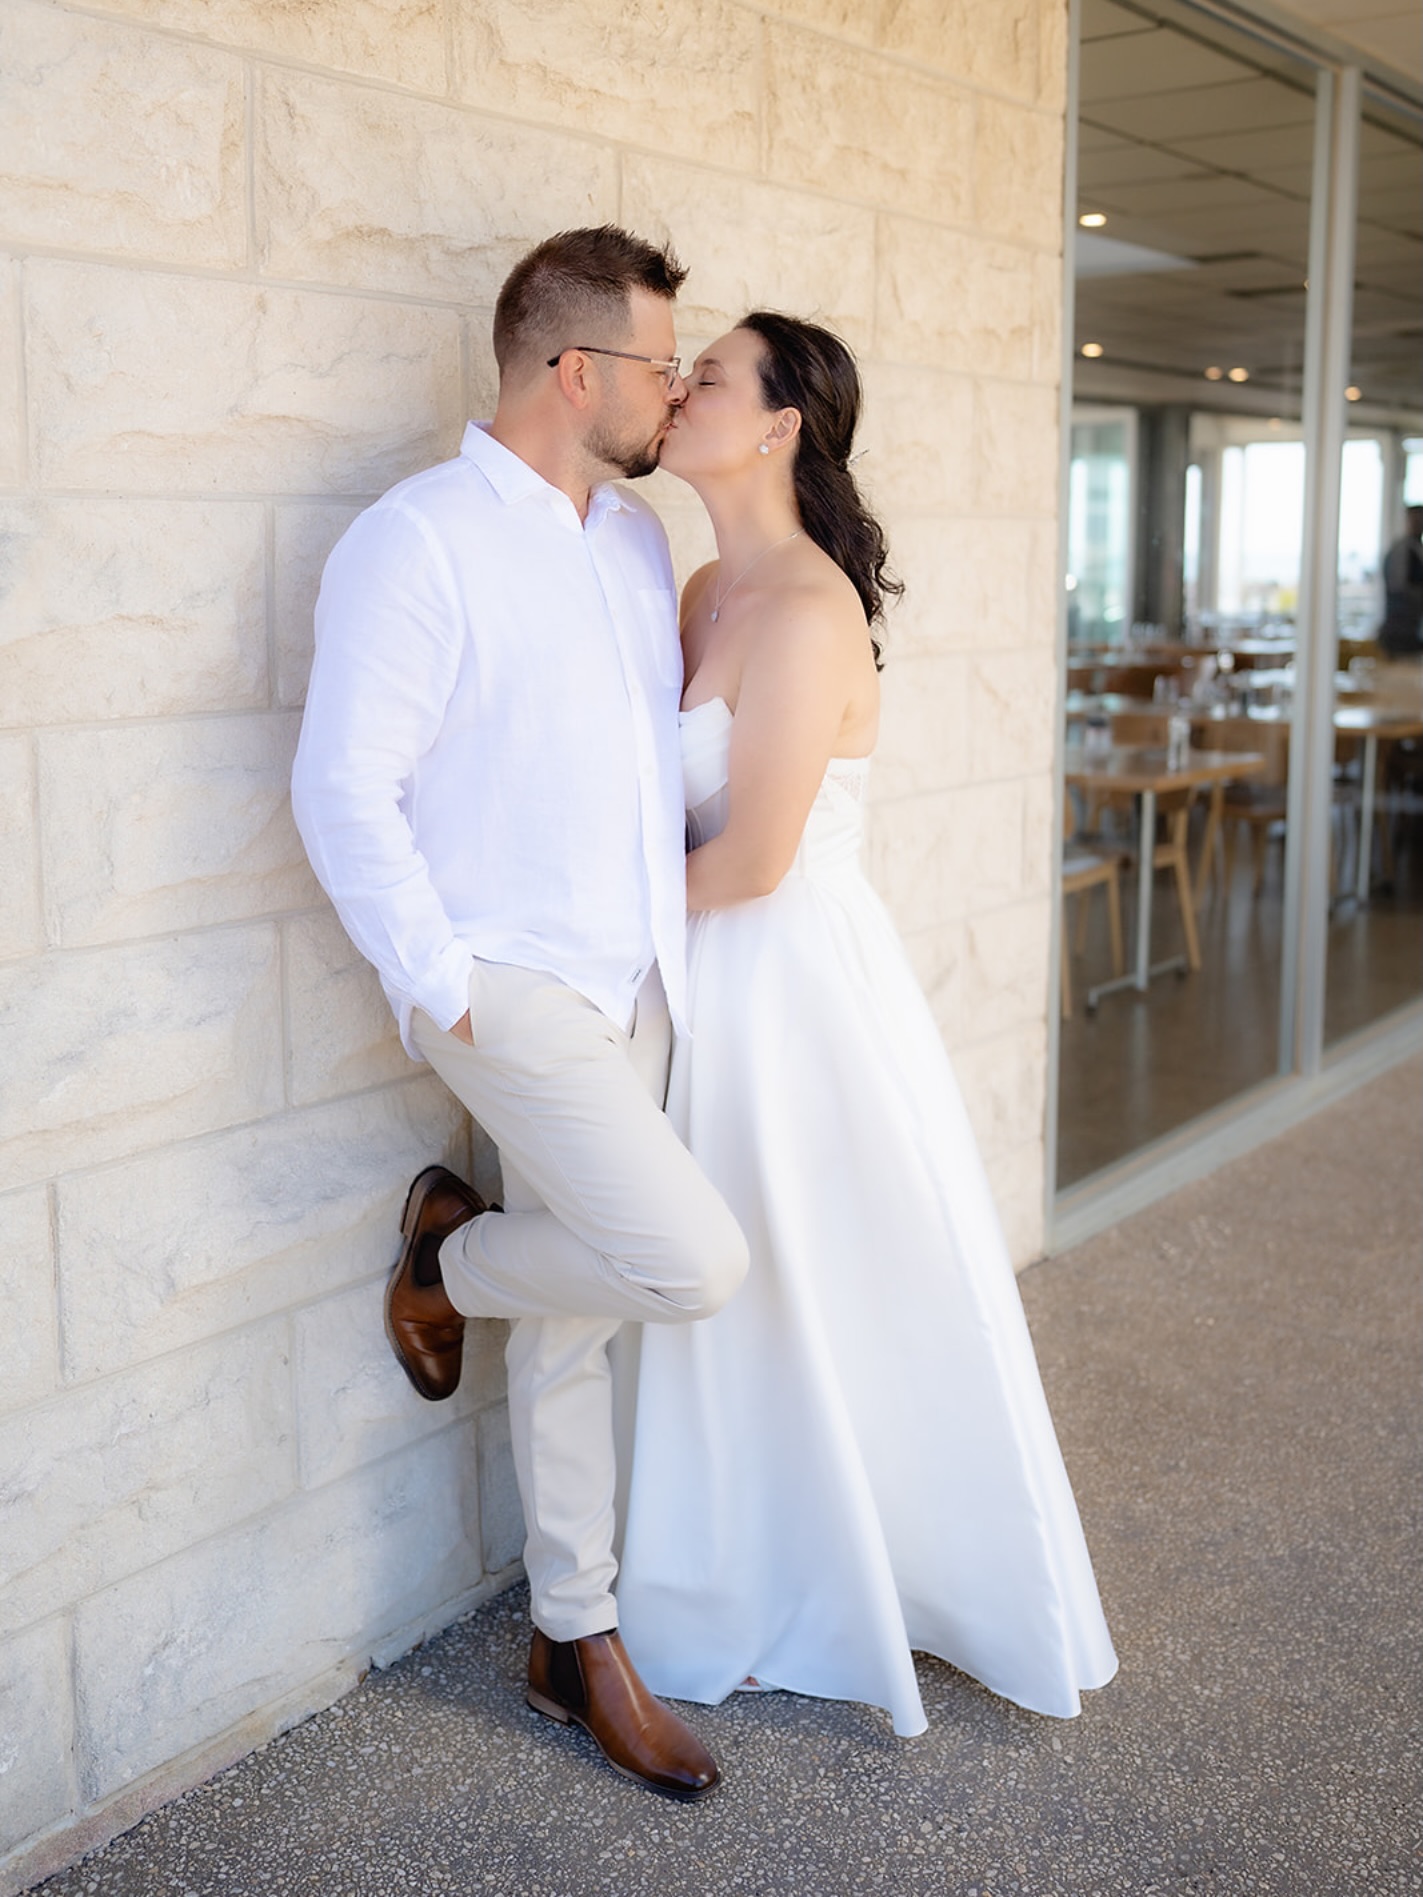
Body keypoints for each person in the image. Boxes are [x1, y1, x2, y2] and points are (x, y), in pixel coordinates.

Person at [290, 227, 749, 1801]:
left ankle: (571, 1637)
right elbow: (342, 789)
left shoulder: (632, 542)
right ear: (571, 370)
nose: (674, 390)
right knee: (684, 1260)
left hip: (632, 981)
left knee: (577, 1317)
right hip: (504, 984)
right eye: (658, 364)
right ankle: (444, 1261)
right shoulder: (416, 540)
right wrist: (444, 987)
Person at [614, 313, 1118, 1736]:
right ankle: (745, 1552)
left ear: (777, 426)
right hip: (704, 968)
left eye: (709, 376)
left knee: (804, 1268)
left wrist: (587, 923)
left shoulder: (803, 607)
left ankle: (837, 1572)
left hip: (788, 983)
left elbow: (750, 859)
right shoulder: (701, 584)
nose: (680, 388)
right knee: (741, 1274)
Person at [1377, 504, 1423, 656]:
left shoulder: (1416, 548)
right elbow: (1398, 588)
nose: (1418, 523)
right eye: (1415, 518)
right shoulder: (1402, 550)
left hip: (1411, 630)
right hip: (1400, 633)